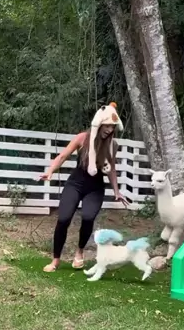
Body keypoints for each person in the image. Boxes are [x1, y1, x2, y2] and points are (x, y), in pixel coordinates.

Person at [39, 103, 129, 272]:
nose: (109, 130)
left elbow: (111, 169)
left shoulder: (113, 145)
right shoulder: (82, 138)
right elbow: (63, 156)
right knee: (63, 219)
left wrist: (116, 191)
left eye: (112, 127)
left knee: (88, 217)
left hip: (95, 188)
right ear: (99, 123)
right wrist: (50, 171)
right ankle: (55, 260)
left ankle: (79, 252)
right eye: (107, 125)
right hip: (75, 184)